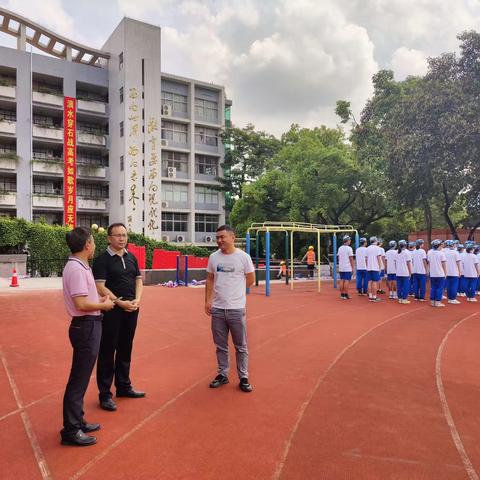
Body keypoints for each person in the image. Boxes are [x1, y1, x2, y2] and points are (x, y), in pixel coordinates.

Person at [61, 227, 114, 446]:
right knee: (79, 379)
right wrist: (106, 305)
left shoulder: (79, 266)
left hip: (88, 324)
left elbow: (85, 299)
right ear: (87, 245)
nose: (93, 246)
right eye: (92, 242)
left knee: (80, 377)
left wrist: (99, 303)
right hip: (86, 326)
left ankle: (78, 421)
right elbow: (81, 304)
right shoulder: (76, 269)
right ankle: (71, 430)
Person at [92, 223, 145, 412]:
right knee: (107, 350)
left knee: (125, 347)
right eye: (118, 235)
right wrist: (119, 302)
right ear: (109, 238)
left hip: (132, 309)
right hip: (112, 310)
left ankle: (123, 386)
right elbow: (100, 286)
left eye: (124, 235)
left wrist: (137, 300)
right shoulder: (102, 260)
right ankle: (105, 394)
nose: (122, 238)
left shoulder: (131, 258)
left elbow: (138, 280)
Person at [205, 225, 255, 392]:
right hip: (217, 309)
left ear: (232, 237)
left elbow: (250, 279)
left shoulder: (243, 257)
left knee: (241, 346)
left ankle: (244, 377)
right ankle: (223, 374)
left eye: (222, 237)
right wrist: (208, 300)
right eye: (217, 237)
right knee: (220, 345)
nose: (219, 240)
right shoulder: (213, 257)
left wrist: (236, 293)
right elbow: (210, 279)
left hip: (236, 309)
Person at [427, 239, 447, 307]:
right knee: (439, 288)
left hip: (432, 273)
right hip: (440, 274)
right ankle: (438, 302)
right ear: (439, 245)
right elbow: (444, 264)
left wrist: (428, 272)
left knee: (433, 287)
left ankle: (432, 301)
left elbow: (429, 263)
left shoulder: (429, 253)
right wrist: (445, 273)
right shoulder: (441, 253)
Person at [365, 236, 384, 302]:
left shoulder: (367, 248)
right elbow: (379, 258)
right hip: (375, 267)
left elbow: (366, 259)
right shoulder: (377, 248)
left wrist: (367, 266)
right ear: (375, 241)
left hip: (369, 267)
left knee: (369, 282)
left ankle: (370, 296)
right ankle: (374, 297)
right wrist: (380, 267)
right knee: (375, 282)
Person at [395, 240, 412, 304]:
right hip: (405, 272)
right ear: (405, 245)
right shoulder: (407, 252)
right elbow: (409, 263)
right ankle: (404, 299)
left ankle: (400, 298)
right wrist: (410, 272)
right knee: (406, 286)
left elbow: (395, 262)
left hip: (398, 272)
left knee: (399, 286)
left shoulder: (396, 252)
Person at [444, 240, 461, 304]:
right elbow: (458, 263)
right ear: (453, 245)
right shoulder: (456, 252)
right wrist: (460, 271)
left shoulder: (445, 252)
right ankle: (453, 299)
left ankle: (449, 298)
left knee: (449, 286)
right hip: (454, 272)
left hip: (447, 272)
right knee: (454, 286)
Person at [338, 235, 354, 300]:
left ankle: (342, 294)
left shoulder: (340, 248)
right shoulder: (349, 248)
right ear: (347, 241)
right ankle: (346, 294)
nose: (350, 241)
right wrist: (353, 267)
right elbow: (351, 259)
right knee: (347, 280)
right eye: (349, 240)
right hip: (347, 267)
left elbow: (339, 258)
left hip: (341, 266)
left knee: (342, 280)